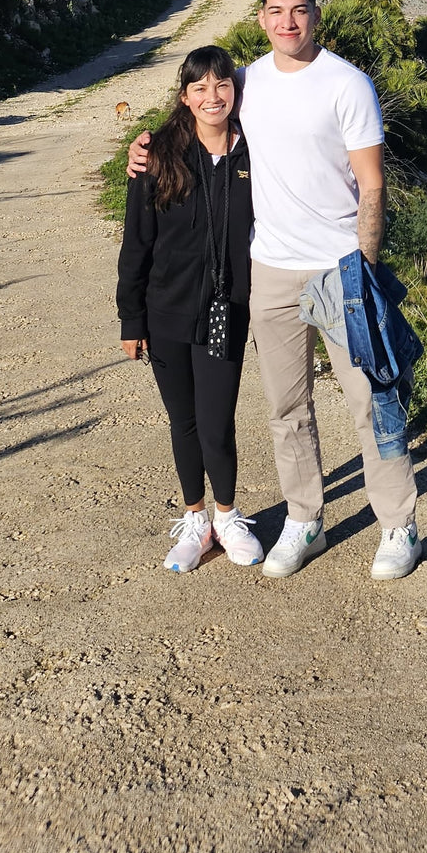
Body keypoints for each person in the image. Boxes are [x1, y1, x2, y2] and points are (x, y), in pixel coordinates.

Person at [130, 0, 420, 581]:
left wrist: (363, 269)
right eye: (276, 11)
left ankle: (397, 523)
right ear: (261, 18)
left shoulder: (349, 85)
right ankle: (304, 519)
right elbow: (198, 110)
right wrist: (145, 147)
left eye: (300, 10)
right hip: (270, 269)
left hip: (340, 267)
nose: (288, 22)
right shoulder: (248, 82)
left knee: (371, 400)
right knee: (288, 408)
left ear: (318, 15)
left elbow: (372, 185)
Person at [116, 45, 262, 573]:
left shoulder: (257, 152)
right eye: (199, 87)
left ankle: (227, 515)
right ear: (185, 96)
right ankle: (196, 520)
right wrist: (131, 318)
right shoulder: (158, 157)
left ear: (235, 91)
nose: (212, 96)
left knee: (217, 421)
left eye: (222, 85)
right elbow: (136, 243)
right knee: (185, 422)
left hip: (228, 311)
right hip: (166, 312)